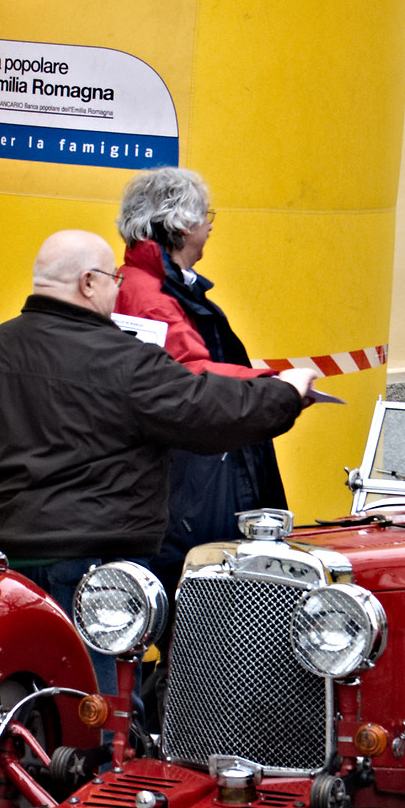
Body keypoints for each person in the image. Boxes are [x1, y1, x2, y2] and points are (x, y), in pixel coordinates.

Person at [0, 229, 321, 688]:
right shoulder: (124, 359)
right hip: (99, 562)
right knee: (102, 706)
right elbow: (205, 413)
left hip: (7, 557)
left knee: (26, 686)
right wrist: (284, 392)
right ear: (88, 282)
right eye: (113, 278)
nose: (118, 288)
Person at [113, 167, 290, 588]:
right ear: (181, 224)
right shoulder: (152, 297)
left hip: (194, 468)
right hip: (194, 477)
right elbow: (191, 374)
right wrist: (273, 384)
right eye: (205, 215)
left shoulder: (151, 285)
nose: (211, 225)